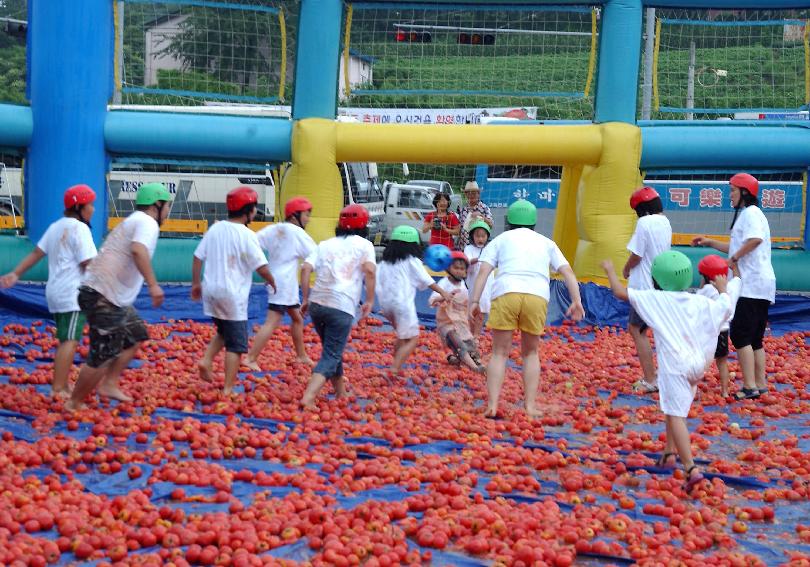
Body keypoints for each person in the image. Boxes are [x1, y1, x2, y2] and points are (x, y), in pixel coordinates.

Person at [602, 251, 741, 493]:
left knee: (676, 415)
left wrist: (610, 271)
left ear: (657, 279)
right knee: (671, 405)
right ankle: (669, 453)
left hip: (674, 366)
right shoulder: (700, 301)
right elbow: (726, 307)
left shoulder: (656, 299)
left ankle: (690, 469)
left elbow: (620, 292)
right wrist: (723, 289)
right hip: (698, 364)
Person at [470, 199, 584, 418]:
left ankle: (492, 405)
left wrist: (474, 301)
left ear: (509, 221)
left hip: (506, 292)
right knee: (531, 353)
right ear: (534, 222)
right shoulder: (545, 242)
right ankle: (530, 406)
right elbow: (568, 272)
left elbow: (484, 271)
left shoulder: (501, 239)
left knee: (499, 353)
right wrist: (577, 301)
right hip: (536, 295)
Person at [66, 183, 172, 411]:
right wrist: (153, 285)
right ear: (158, 205)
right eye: (168, 206)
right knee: (102, 354)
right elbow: (138, 250)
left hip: (110, 295)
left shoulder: (136, 220)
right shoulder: (147, 222)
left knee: (135, 336)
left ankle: (109, 383)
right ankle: (74, 403)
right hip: (103, 295)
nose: (169, 211)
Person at [0, 185, 98, 398]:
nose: (93, 209)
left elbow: (37, 252)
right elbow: (88, 263)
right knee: (70, 341)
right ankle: (59, 388)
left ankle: (61, 385)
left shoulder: (56, 226)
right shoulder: (79, 229)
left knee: (65, 339)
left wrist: (16, 273)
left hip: (55, 292)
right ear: (79, 206)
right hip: (73, 294)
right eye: (90, 204)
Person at [692, 173, 776, 400]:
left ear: (744, 193)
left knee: (741, 336)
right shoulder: (752, 215)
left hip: (751, 285)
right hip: (761, 285)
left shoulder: (750, 214)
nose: (730, 195)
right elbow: (737, 244)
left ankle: (749, 386)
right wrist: (710, 242)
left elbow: (754, 240)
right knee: (755, 339)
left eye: (733, 191)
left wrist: (735, 259)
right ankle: (760, 384)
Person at [192, 187, 276, 395]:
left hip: (211, 291)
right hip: (231, 294)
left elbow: (197, 256)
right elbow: (260, 266)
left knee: (223, 331)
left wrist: (196, 283)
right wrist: (272, 281)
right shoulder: (247, 235)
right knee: (237, 346)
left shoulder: (216, 229)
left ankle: (206, 359)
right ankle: (228, 389)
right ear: (248, 210)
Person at [300, 204, 376, 410]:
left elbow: (306, 269)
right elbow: (369, 271)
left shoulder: (325, 244)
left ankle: (340, 391)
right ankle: (309, 396)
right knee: (332, 353)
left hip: (317, 303)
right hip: (340, 305)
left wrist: (305, 298)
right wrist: (369, 300)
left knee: (332, 348)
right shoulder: (364, 245)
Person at [245, 197, 317, 371]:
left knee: (297, 318)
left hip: (279, 280)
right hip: (283, 284)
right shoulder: (297, 233)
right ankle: (250, 358)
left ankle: (301, 356)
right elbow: (317, 254)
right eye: (306, 214)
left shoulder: (274, 229)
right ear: (294, 216)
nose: (308, 219)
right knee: (272, 321)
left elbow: (252, 242)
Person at [377, 225, 452, 379]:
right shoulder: (412, 260)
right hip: (402, 304)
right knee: (412, 339)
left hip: (386, 305)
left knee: (402, 336)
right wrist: (443, 292)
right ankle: (394, 370)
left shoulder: (384, 263)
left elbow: (378, 282)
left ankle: (395, 364)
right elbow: (427, 280)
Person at [624, 186, 672, 394]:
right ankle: (667, 376)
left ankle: (650, 379)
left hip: (644, 286)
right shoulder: (665, 221)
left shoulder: (644, 222)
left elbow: (637, 254)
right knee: (660, 332)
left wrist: (625, 269)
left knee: (637, 330)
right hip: (662, 283)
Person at [429, 250, 485, 374]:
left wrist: (475, 310)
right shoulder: (444, 283)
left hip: (461, 324)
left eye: (462, 268)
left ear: (466, 271)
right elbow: (432, 301)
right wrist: (444, 296)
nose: (459, 271)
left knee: (471, 347)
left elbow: (467, 304)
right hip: (447, 325)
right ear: (448, 268)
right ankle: (475, 368)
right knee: (458, 344)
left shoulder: (463, 286)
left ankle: (456, 359)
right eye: (456, 268)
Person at [696, 254, 737, 398]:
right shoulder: (728, 288)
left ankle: (690, 387)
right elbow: (737, 280)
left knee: (698, 361)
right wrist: (735, 267)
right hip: (723, 331)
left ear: (705, 276)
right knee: (722, 362)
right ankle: (725, 391)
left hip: (707, 333)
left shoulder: (704, 291)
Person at [463, 219, 494, 340]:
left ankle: (476, 334)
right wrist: (476, 259)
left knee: (481, 310)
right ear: (472, 237)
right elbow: (466, 262)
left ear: (487, 237)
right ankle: (470, 332)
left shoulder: (490, 249)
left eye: (483, 236)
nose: (480, 239)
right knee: (472, 310)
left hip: (486, 285)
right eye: (477, 236)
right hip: (473, 284)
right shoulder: (469, 249)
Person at [457, 180, 494, 249]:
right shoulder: (463, 209)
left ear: (478, 194)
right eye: (468, 193)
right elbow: (460, 228)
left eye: (474, 193)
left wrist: (481, 216)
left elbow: (491, 224)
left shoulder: (484, 208)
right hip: (463, 246)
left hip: (479, 246)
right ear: (465, 195)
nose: (471, 195)